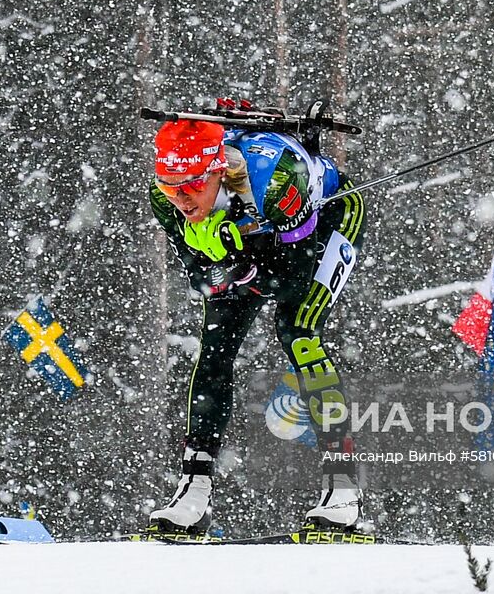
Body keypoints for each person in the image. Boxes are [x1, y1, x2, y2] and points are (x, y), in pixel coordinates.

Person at [147, 106, 367, 534]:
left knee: (298, 330)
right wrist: (228, 264)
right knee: (215, 344)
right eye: (170, 186)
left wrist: (244, 267)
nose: (181, 199)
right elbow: (200, 275)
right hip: (252, 243)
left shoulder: (275, 182)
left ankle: (343, 489)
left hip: (322, 220)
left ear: (217, 172)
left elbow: (291, 282)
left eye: (191, 185)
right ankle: (193, 488)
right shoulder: (167, 198)